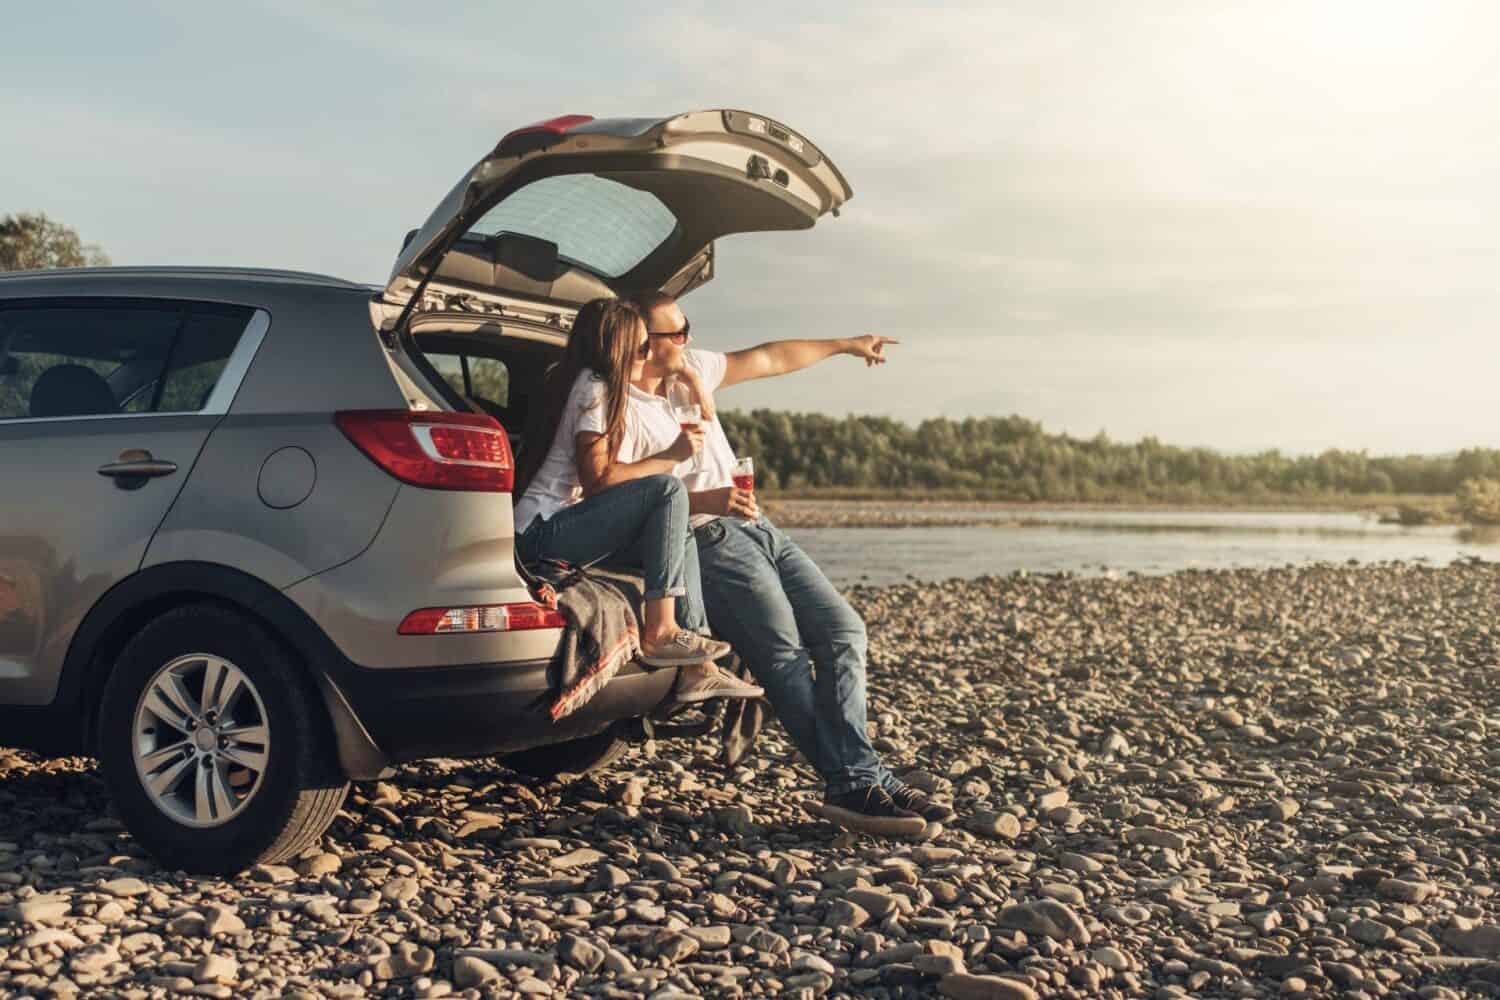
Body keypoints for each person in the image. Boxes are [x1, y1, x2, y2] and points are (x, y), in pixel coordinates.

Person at [624, 290, 954, 836]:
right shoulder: (623, 404)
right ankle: (855, 784)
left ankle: (862, 774)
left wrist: (846, 344)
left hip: (759, 526)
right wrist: (705, 499)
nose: (687, 339)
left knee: (844, 630)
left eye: (687, 327)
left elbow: (771, 357)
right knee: (784, 657)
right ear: (643, 342)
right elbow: (627, 492)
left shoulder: (694, 370)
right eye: (675, 333)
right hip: (706, 539)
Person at [513, 298, 762, 701]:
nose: (648, 356)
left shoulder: (587, 381)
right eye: (642, 346)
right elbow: (598, 481)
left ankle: (698, 666)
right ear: (620, 347)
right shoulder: (594, 387)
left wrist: (693, 379)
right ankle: (661, 632)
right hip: (540, 533)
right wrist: (671, 456)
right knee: (668, 490)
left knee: (678, 520)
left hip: (563, 525)